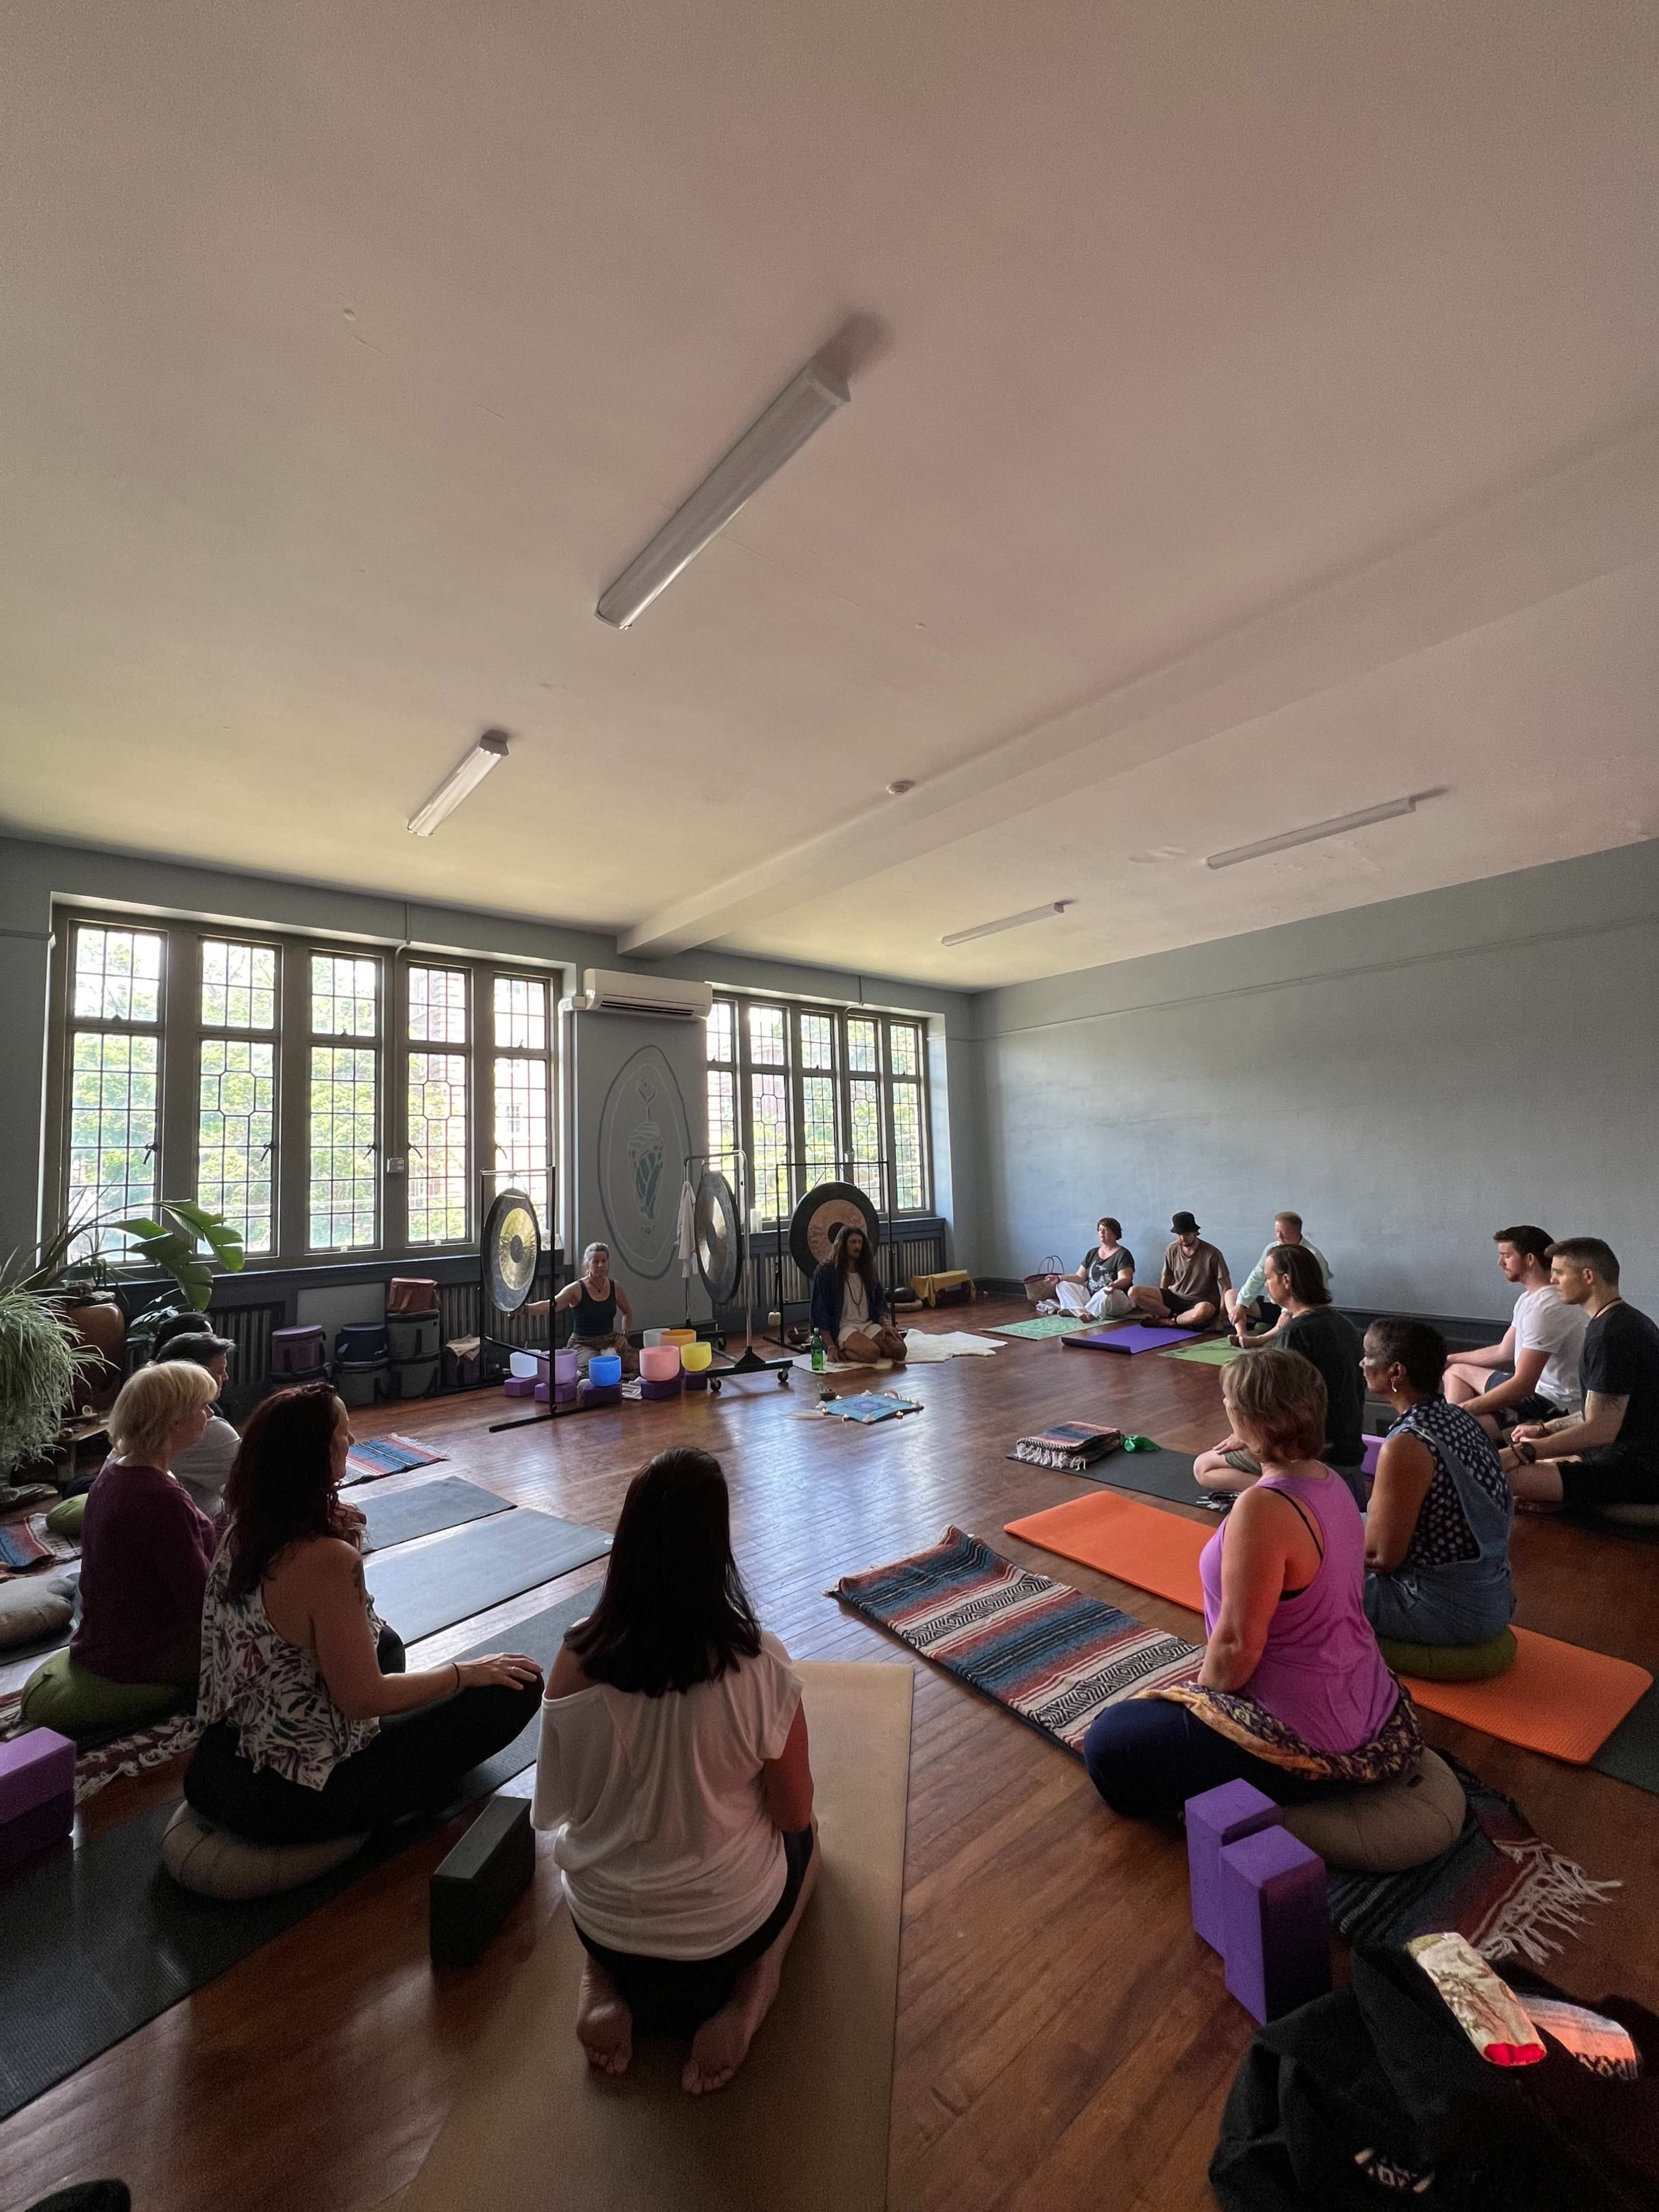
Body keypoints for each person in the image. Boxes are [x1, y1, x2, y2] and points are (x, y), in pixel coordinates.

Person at [534, 1448, 817, 2096]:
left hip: (604, 1930)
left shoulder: (575, 1655)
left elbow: (559, 1809)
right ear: (718, 1547)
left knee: (614, 1854)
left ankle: (600, 1983)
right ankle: (756, 1988)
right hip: (729, 1939)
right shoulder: (760, 1660)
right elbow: (793, 1814)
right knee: (813, 1841)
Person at [184, 1386, 543, 1843]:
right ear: (316, 1453)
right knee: (520, 1686)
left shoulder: (241, 1527)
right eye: (343, 1432)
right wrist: (465, 1672)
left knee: (387, 1644)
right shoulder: (327, 1559)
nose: (352, 1441)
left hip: (219, 1761)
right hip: (290, 1794)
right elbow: (361, 1699)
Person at [1083, 1350, 1417, 1820]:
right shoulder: (1331, 1482)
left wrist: (1201, 1705)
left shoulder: (1262, 1509)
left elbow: (1237, 1646)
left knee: (1108, 1742)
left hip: (1310, 1735)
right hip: (1366, 1700)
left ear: (1250, 1420)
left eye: (1229, 1403)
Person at [1359, 1318, 1516, 1646]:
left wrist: (1316, 1553)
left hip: (1443, 1608)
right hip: (1491, 1595)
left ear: (1396, 1372)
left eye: (1369, 1355)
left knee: (1304, 1581)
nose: (1362, 1364)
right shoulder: (1459, 1417)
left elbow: (1381, 1559)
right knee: (1344, 1524)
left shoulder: (1407, 1445)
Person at [71, 1361, 221, 1692]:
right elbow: (202, 1601)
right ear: (175, 1420)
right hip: (143, 1653)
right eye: (202, 1406)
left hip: (106, 1637)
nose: (210, 1415)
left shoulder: (118, 1469)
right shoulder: (161, 1498)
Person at [1498, 1239, 1659, 1510]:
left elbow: (1601, 1430)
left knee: (1499, 1473)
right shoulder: (1620, 1321)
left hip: (1638, 1469)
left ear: (1588, 1276)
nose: (1553, 1280)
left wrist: (1524, 1452)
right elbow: (1597, 1413)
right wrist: (1544, 1430)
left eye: (1560, 1273)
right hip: (1622, 1456)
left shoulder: (1611, 1335)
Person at [1196, 1245, 1365, 1497]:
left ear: (1286, 1281)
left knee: (1204, 1467)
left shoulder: (1296, 1333)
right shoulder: (1345, 1324)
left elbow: (1276, 1406)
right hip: (1350, 1448)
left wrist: (1244, 1435)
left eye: (1268, 1278)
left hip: (1314, 1454)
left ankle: (1289, 1493)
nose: (1266, 1285)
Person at [1443, 1225, 1586, 1436]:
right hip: (1534, 1393)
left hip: (1553, 1406)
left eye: (1507, 1256)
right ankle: (1465, 1432)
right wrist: (1449, 1359)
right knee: (1456, 1371)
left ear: (1530, 1259)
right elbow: (1504, 1351)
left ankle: (1460, 1431)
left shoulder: (1546, 1307)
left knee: (1453, 1428)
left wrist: (1457, 1413)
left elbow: (1523, 1385)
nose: (1501, 1263)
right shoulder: (1529, 1299)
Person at [151, 1325, 241, 1516]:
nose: (226, 1378)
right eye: (220, 1371)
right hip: (196, 1524)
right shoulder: (206, 1429)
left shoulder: (142, 1412)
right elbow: (256, 1486)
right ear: (197, 1377)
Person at [532, 1242, 638, 1376]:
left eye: (604, 1261)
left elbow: (627, 1312)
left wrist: (625, 1335)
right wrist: (526, 1309)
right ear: (588, 1264)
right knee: (596, 1370)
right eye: (596, 1262)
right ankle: (613, 1378)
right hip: (583, 1343)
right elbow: (550, 1306)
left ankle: (619, 1378)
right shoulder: (576, 1289)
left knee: (640, 1363)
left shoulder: (615, 1287)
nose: (600, 1265)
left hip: (609, 1339)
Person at [809, 1224, 907, 1365]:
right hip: (844, 1328)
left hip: (868, 1324)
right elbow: (820, 1312)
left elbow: (879, 1302)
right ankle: (845, 1349)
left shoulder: (868, 1270)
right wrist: (830, 1346)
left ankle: (863, 1348)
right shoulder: (826, 1272)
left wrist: (886, 1325)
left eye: (860, 1242)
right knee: (872, 1353)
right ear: (843, 1245)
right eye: (853, 1242)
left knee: (900, 1350)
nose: (857, 1247)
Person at [1224, 1211, 1333, 1334]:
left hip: (1298, 1311)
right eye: (1277, 1232)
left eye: (1284, 1233)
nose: (1279, 1237)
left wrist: (1287, 1311)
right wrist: (1241, 1304)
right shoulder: (1272, 1250)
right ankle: (1242, 1334)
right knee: (1232, 1295)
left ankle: (1266, 1336)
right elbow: (1257, 1277)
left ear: (1297, 1232)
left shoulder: (1312, 1255)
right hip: (1274, 1304)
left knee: (1293, 1318)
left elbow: (1317, 1294)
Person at [1129, 1211, 1230, 1329]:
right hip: (1175, 1296)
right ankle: (1174, 1317)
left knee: (1204, 1310)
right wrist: (1161, 1304)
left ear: (1196, 1233)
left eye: (1187, 1235)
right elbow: (1167, 1276)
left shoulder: (1212, 1254)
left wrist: (1221, 1318)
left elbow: (1226, 1286)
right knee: (1134, 1292)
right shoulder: (1172, 1249)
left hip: (1200, 1301)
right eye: (1179, 1235)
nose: (1183, 1239)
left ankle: (1171, 1321)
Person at [1047, 1218, 1136, 1319]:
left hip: (1115, 1298)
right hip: (1092, 1297)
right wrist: (1058, 1278)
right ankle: (1081, 1313)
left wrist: (1114, 1285)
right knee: (1063, 1285)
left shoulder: (1123, 1254)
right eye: (1100, 1230)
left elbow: (1126, 1279)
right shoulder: (1093, 1253)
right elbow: (1080, 1277)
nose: (1102, 1233)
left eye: (1106, 1230)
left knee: (1106, 1291)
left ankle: (1077, 1311)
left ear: (1115, 1233)